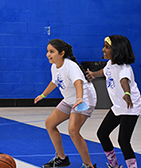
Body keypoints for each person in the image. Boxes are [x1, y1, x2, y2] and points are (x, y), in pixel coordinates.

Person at [34, 39, 97, 168]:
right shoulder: (54, 66)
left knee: (73, 131)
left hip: (84, 99)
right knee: (50, 124)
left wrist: (79, 98)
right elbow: (54, 82)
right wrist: (43, 95)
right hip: (70, 100)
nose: (48, 54)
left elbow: (78, 83)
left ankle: (88, 165)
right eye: (47, 51)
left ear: (61, 53)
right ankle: (61, 158)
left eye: (52, 51)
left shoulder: (70, 66)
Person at [86, 35, 141, 168]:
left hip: (130, 107)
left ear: (117, 50)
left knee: (123, 140)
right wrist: (94, 74)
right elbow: (105, 72)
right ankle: (114, 165)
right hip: (118, 107)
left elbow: (124, 81)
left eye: (107, 47)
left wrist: (127, 93)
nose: (103, 49)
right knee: (102, 134)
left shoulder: (124, 68)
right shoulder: (110, 64)